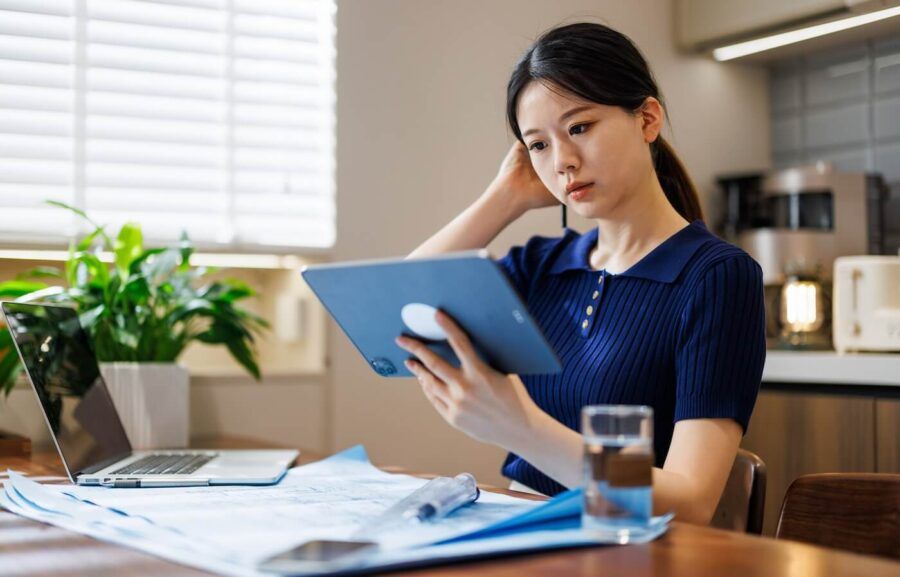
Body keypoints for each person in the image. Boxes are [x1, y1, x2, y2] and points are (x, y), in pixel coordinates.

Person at [395, 22, 766, 525]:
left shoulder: (716, 277)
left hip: (623, 549)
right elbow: (393, 298)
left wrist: (521, 429)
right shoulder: (542, 265)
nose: (564, 162)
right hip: (520, 532)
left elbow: (691, 502)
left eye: (580, 127)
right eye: (539, 145)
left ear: (647, 118)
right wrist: (504, 199)